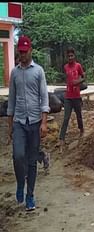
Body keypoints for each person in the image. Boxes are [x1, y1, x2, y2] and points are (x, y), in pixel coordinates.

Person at [7, 35, 50, 211]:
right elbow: (11, 100)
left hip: (34, 122)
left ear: (30, 51)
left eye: (25, 52)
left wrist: (44, 122)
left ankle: (30, 195)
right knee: (18, 156)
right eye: (20, 52)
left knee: (32, 161)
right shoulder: (14, 73)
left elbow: (44, 97)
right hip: (19, 121)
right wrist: (10, 126)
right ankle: (19, 183)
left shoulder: (38, 71)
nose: (23, 55)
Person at [59, 47, 86, 151]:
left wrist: (78, 82)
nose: (70, 58)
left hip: (76, 96)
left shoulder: (78, 66)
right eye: (68, 56)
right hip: (68, 97)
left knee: (79, 115)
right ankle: (61, 139)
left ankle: (81, 130)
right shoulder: (66, 67)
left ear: (74, 56)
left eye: (72, 56)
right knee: (66, 118)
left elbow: (84, 77)